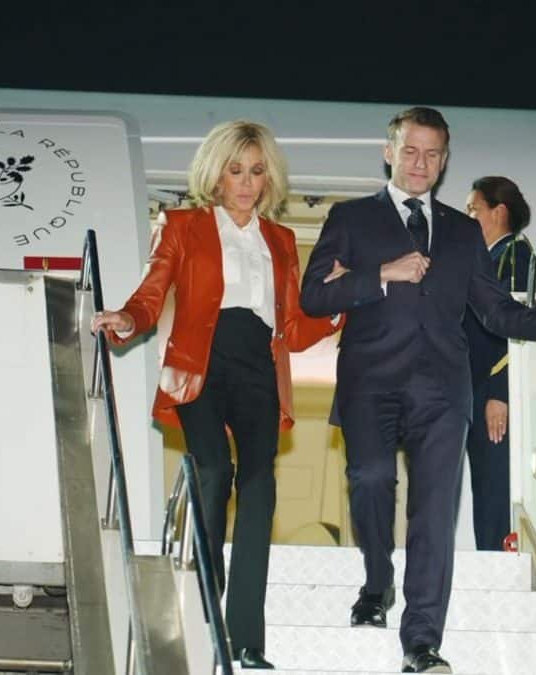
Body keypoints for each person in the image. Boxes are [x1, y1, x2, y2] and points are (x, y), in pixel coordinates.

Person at [299, 107, 536, 674]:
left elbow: (496, 311)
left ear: (444, 161)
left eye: (433, 154)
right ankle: (377, 581)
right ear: (389, 153)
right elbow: (313, 296)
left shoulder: (464, 232)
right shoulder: (351, 218)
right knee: (371, 481)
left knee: (435, 512)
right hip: (370, 382)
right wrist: (381, 274)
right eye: (410, 151)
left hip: (442, 390)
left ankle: (421, 641)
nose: (421, 163)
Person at [92, 120, 342, 670]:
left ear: (269, 178)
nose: (246, 183)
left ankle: (247, 639)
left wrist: (337, 308)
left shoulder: (280, 241)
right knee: (212, 471)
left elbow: (292, 328)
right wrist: (127, 320)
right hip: (199, 366)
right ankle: (205, 593)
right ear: (216, 174)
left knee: (259, 487)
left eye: (256, 172)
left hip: (258, 367)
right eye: (235, 171)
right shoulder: (183, 225)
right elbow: (152, 293)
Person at [462, 176, 532, 551]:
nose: (468, 216)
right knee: (484, 486)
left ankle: (498, 561)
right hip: (474, 389)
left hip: (492, 391)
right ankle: (489, 557)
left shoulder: (514, 257)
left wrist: (499, 392)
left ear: (498, 212)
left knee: (495, 486)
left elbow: (516, 327)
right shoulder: (484, 261)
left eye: (473, 209)